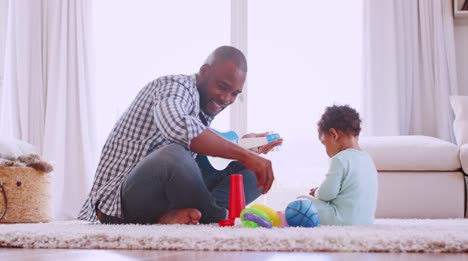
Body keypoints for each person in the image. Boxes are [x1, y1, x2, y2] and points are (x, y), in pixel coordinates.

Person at [77, 46, 283, 225]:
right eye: (222, 87)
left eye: (234, 94)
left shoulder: (201, 109)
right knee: (173, 155)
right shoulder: (176, 86)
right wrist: (243, 154)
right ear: (204, 72)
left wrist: (243, 148)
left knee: (251, 170)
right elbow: (177, 126)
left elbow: (202, 153)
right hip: (118, 202)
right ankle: (218, 217)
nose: (226, 99)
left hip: (161, 196)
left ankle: (185, 216)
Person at [298, 105, 377, 225]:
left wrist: (317, 192)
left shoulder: (340, 159)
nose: (325, 149)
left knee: (300, 202)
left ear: (333, 134)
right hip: (367, 220)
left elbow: (327, 194)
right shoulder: (368, 159)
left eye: (324, 143)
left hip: (341, 219)